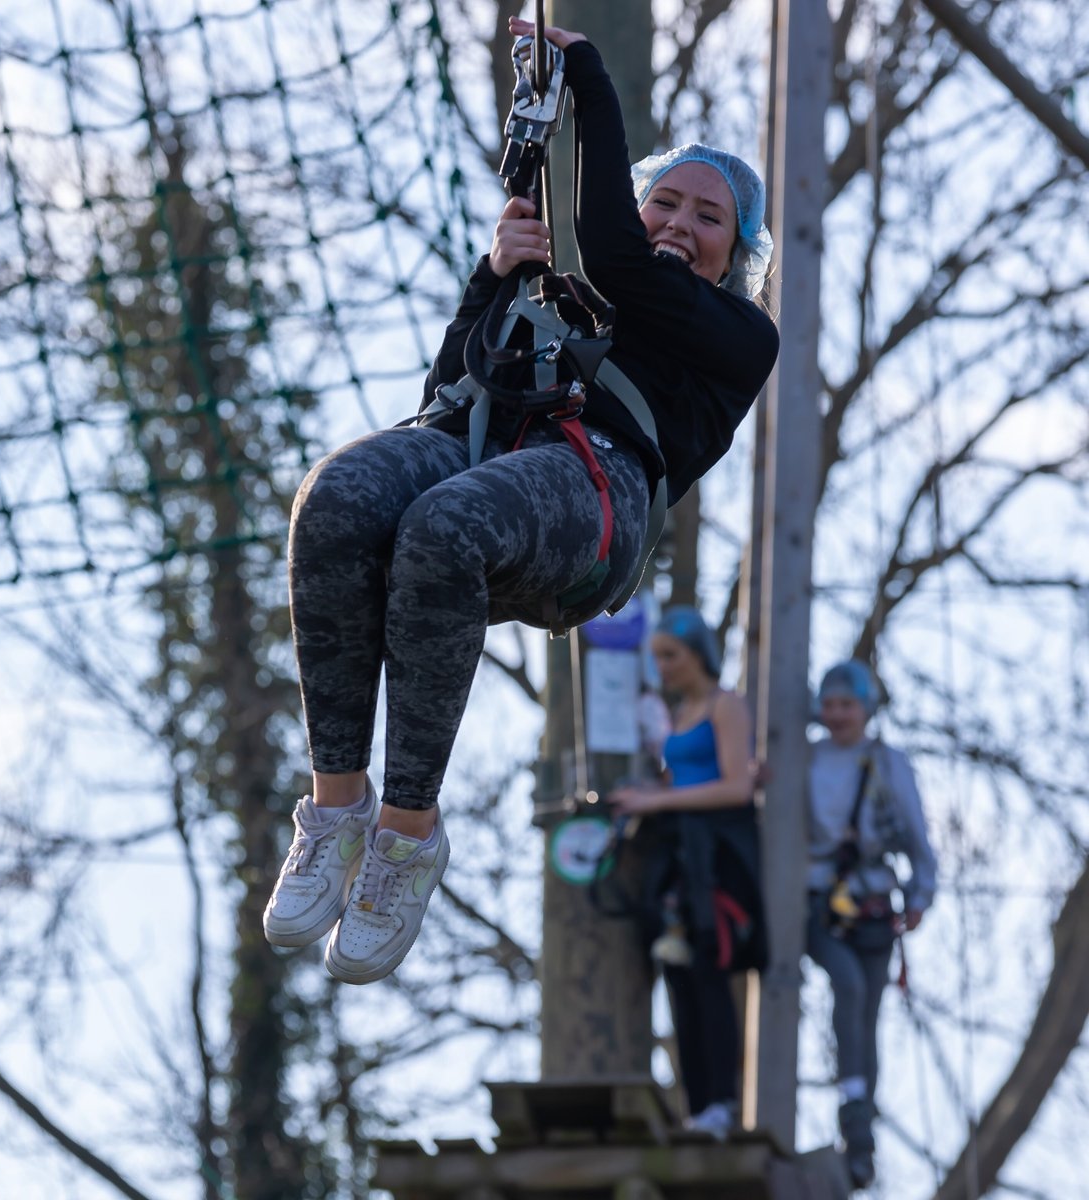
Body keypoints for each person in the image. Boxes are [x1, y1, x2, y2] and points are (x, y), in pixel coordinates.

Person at [262, 16, 780, 986]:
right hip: (486, 449)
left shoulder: (738, 334)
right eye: (664, 201)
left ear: (737, 253)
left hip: (598, 500)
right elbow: (450, 389)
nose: (680, 223)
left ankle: (407, 838)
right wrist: (493, 275)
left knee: (444, 528)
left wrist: (585, 77)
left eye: (708, 218)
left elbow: (623, 258)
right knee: (337, 498)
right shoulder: (565, 294)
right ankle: (336, 809)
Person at [609, 608, 767, 1138]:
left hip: (717, 857)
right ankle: (698, 1106)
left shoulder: (727, 707)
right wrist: (645, 798)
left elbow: (735, 787)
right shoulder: (677, 714)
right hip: (678, 855)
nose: (664, 667)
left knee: (708, 969)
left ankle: (722, 1101)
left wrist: (662, 802)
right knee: (675, 969)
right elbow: (679, 782)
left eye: (670, 656)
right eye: (657, 658)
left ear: (698, 653)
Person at [806, 660, 938, 1188]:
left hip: (872, 902)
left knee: (868, 1010)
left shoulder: (888, 763)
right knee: (848, 985)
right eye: (829, 704)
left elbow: (915, 834)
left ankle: (861, 1132)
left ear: (866, 709)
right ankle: (852, 1113)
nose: (837, 715)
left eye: (847, 705)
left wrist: (921, 893)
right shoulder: (804, 757)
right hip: (816, 899)